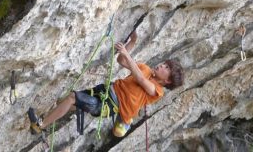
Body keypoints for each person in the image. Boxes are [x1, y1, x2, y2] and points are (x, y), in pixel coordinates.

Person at [28, 31, 184, 137]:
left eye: (166, 68)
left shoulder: (157, 91)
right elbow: (122, 60)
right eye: (165, 64)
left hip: (110, 105)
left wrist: (126, 53)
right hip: (106, 90)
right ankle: (46, 120)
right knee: (71, 102)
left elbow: (142, 81)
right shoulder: (144, 68)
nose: (162, 65)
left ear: (167, 80)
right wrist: (132, 42)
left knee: (72, 98)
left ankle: (39, 126)